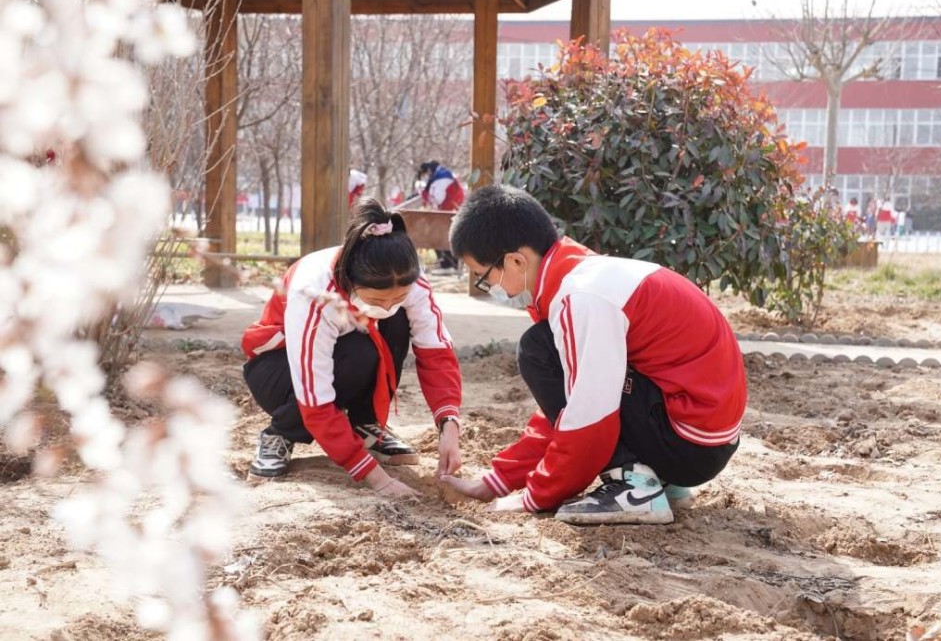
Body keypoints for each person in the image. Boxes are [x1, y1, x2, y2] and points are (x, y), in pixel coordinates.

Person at [440, 185, 745, 525]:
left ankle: (635, 488)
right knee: (548, 350)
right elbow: (566, 403)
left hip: (690, 443)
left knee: (537, 350)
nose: (493, 287)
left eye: (485, 276)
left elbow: (587, 412)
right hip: (701, 433)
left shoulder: (580, 298)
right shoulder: (584, 275)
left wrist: (536, 496)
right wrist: (499, 480)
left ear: (515, 260)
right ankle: (660, 482)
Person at [241, 198, 463, 497]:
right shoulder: (314, 294)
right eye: (376, 300)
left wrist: (449, 426)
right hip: (278, 371)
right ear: (351, 281)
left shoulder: (409, 279)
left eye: (397, 299)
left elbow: (436, 351)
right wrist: (377, 478)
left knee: (392, 325)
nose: (386, 307)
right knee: (359, 350)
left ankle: (365, 424)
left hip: (350, 350)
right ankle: (280, 432)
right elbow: (315, 399)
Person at [418, 161, 465, 271]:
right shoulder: (443, 175)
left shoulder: (440, 178)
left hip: (446, 213)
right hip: (448, 213)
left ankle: (448, 263)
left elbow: (438, 198)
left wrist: (429, 200)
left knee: (438, 237)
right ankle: (448, 262)